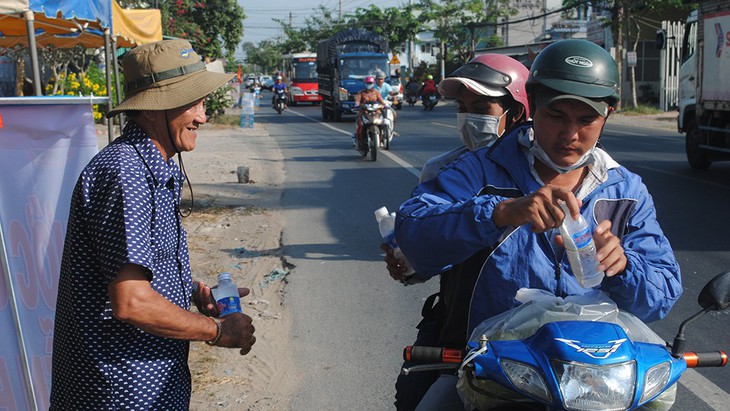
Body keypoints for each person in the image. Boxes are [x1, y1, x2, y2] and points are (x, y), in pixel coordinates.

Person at [394, 39, 683, 409]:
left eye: (586, 120)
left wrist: (623, 266)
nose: (570, 134)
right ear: (533, 106)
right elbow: (415, 235)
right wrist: (499, 213)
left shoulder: (626, 192)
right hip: (492, 376)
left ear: (608, 114)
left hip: (596, 383)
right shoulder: (479, 170)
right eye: (556, 115)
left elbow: (661, 294)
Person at [50, 39, 257, 410]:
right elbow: (132, 302)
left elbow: (138, 266)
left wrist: (192, 290)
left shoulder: (154, 169)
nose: (202, 117)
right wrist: (218, 331)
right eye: (191, 104)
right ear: (151, 110)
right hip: (120, 392)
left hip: (151, 382)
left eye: (203, 103)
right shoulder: (126, 173)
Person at [382, 53, 531, 411]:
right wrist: (411, 264)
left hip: (546, 346)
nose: (470, 118)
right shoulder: (444, 171)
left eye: (482, 106)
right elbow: (427, 245)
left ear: (520, 111)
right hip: (466, 337)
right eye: (463, 107)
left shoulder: (567, 173)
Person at [353, 75, 387, 155]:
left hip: (376, 111)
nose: (369, 84)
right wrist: (356, 105)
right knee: (360, 125)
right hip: (364, 111)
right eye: (368, 83)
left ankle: (382, 139)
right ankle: (358, 141)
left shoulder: (376, 92)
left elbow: (381, 100)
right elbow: (357, 101)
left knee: (383, 123)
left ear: (373, 83)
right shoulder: (361, 93)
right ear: (365, 84)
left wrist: (384, 105)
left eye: (371, 83)